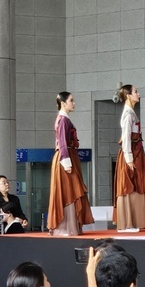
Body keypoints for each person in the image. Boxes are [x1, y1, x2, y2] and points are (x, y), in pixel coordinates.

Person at [48, 91, 94, 236]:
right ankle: (66, 227)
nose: (74, 103)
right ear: (63, 103)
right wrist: (66, 163)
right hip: (65, 158)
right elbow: (62, 142)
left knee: (71, 190)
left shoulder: (64, 119)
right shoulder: (63, 120)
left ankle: (70, 226)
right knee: (69, 191)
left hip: (67, 156)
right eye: (71, 100)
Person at [113, 84, 145, 232]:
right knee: (130, 186)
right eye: (135, 92)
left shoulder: (131, 112)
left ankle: (133, 221)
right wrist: (129, 158)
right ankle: (127, 222)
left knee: (137, 185)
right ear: (128, 96)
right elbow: (126, 138)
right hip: (131, 154)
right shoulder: (128, 114)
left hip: (136, 152)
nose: (138, 94)